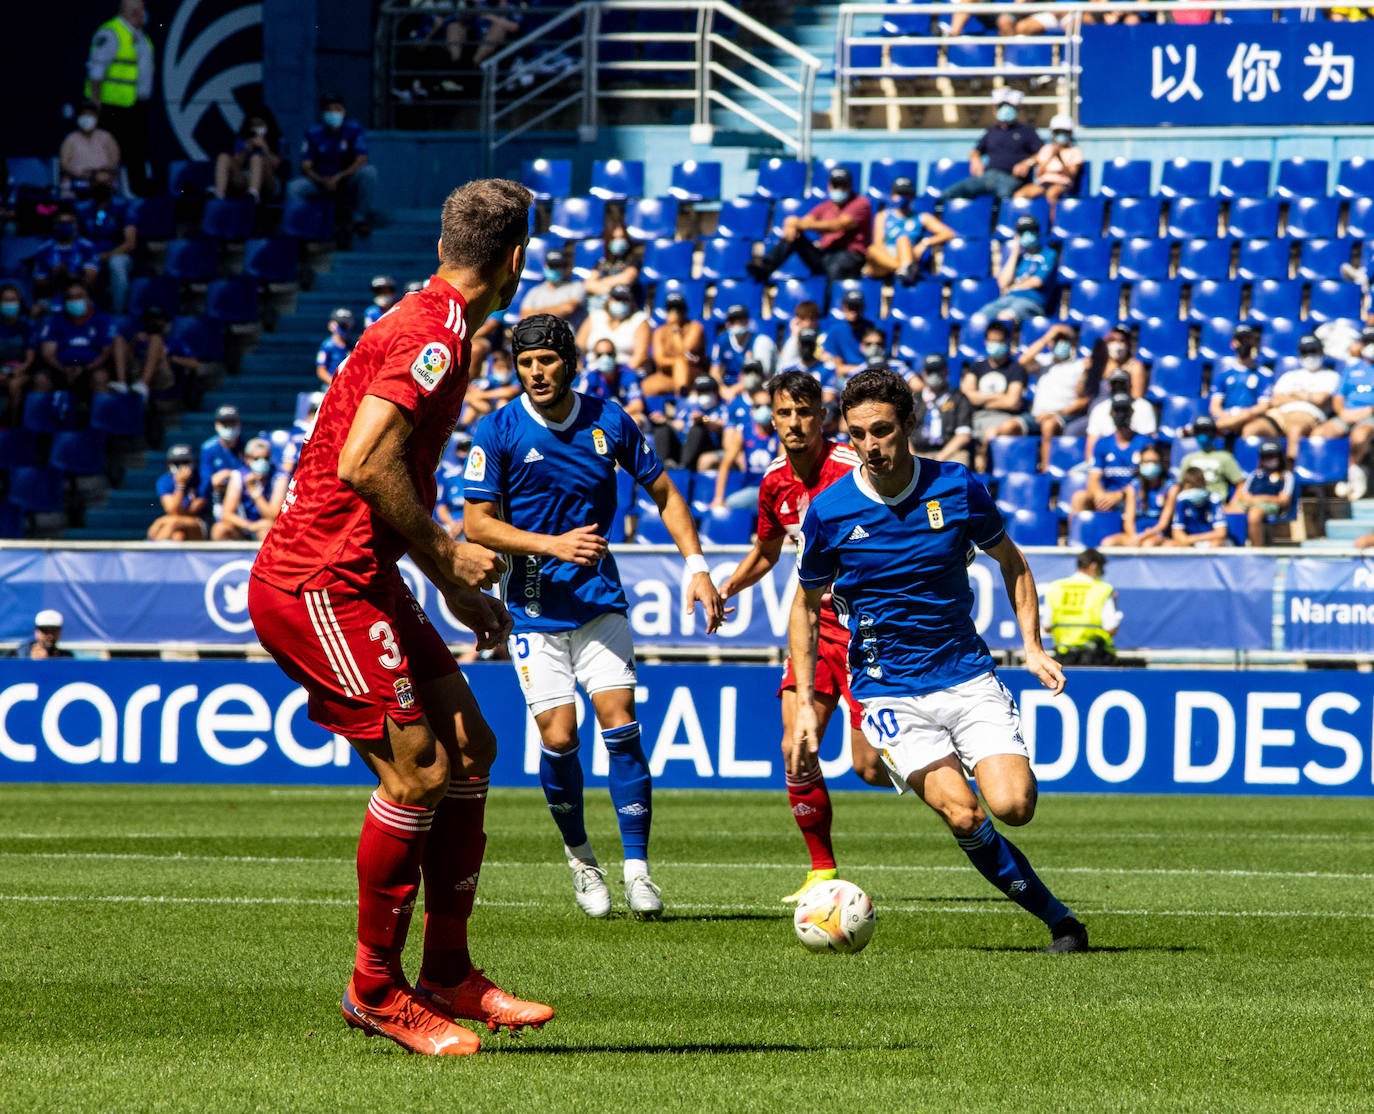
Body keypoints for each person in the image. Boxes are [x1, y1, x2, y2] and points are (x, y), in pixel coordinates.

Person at [248, 177, 553, 1055]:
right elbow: (362, 462)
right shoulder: (434, 336)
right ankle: (374, 990)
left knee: (469, 749)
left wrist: (448, 586)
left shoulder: (427, 318)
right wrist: (452, 558)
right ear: (515, 258)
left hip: (366, 573)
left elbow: (378, 467)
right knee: (416, 771)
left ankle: (448, 972)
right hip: (319, 580)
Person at [789, 367, 1086, 953]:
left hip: (966, 674)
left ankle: (982, 785)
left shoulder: (957, 487)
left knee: (1014, 805)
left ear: (908, 426)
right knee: (964, 813)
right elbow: (802, 606)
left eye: (881, 430)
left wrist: (1033, 646)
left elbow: (1014, 562)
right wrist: (804, 700)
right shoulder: (830, 510)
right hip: (888, 688)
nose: (870, 446)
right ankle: (1061, 921)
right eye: (857, 434)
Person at [463, 313, 724, 919]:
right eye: (526, 364)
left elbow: (664, 493)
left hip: (599, 602)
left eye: (546, 362)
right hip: (531, 608)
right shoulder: (497, 430)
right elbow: (476, 524)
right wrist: (552, 544)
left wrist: (697, 566)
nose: (535, 373)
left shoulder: (609, 420)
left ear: (568, 362)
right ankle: (582, 861)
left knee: (620, 721)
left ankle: (638, 869)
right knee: (559, 737)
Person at [716, 371, 887, 901]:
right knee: (796, 748)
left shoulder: (851, 471)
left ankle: (946, 769)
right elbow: (769, 551)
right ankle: (822, 869)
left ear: (823, 417)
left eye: (805, 412)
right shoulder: (773, 482)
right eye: (785, 413)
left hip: (867, 629)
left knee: (871, 765)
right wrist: (730, 586)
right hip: (814, 629)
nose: (795, 422)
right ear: (772, 418)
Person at [746, 166, 871, 283]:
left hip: (849, 256)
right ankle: (765, 268)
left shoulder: (860, 203)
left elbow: (839, 225)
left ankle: (830, 304)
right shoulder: (826, 206)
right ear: (829, 186)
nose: (839, 189)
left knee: (835, 269)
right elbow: (806, 220)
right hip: (825, 255)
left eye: (843, 185)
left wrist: (797, 223)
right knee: (795, 236)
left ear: (850, 186)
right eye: (836, 185)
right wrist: (792, 224)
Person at [85, 0, 155, 196]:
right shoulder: (111, 34)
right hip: (112, 107)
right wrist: (96, 105)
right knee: (109, 153)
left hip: (135, 105)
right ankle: (105, 193)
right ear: (131, 12)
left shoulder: (141, 37)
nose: (144, 13)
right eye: (141, 10)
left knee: (137, 152)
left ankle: (138, 191)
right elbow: (96, 73)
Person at [288, 93, 379, 238]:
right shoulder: (313, 133)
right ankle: (299, 231)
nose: (333, 113)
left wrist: (339, 177)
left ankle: (359, 219)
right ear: (323, 113)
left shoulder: (354, 129)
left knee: (369, 172)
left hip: (345, 180)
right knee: (294, 187)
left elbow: (362, 159)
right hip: (320, 182)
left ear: (344, 112)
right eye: (329, 110)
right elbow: (306, 166)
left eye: (337, 109)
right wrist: (322, 180)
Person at [1015, 323, 1092, 471]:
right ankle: (1016, 470)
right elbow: (1023, 361)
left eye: (1066, 340)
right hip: (1036, 416)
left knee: (1048, 425)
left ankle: (1045, 470)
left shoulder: (1080, 365)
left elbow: (1084, 400)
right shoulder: (1044, 362)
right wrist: (1048, 336)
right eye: (1058, 340)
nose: (1061, 344)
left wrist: (1056, 414)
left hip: (1063, 415)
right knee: (1008, 427)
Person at [942, 89, 1042, 202]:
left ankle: (1003, 217)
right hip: (987, 177)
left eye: (1009, 106)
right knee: (950, 193)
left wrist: (1028, 163)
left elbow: (1043, 153)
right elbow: (976, 151)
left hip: (1011, 179)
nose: (1005, 110)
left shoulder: (1026, 131)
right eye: (1000, 106)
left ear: (1017, 109)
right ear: (994, 110)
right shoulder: (992, 131)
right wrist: (975, 159)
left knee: (1004, 198)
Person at [1315, 326, 1374, 500]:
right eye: (1368, 342)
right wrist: (1343, 413)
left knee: (1360, 436)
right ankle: (1325, 481)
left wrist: (1368, 410)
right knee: (1320, 433)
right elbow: (1338, 397)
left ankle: (1352, 472)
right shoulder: (1351, 369)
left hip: (1369, 415)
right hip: (1348, 414)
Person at [1262, 335, 1342, 458]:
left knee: (1295, 430)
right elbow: (1275, 400)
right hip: (1280, 415)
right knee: (1252, 429)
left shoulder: (1331, 376)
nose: (1309, 355)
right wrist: (1307, 396)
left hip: (1309, 415)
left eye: (1313, 351)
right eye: (1305, 352)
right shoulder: (1289, 375)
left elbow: (1320, 400)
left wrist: (1293, 394)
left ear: (1321, 351)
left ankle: (1289, 472)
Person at [865, 176, 954, 286]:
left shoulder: (922, 217)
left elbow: (948, 233)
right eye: (899, 193)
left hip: (909, 254)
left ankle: (905, 270)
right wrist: (892, 260)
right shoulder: (883, 216)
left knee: (903, 239)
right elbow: (878, 242)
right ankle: (902, 269)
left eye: (906, 194)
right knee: (872, 250)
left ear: (912, 196)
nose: (902, 197)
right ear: (892, 195)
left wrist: (925, 242)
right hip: (885, 259)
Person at [1071, 395, 1152, 513]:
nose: (1121, 414)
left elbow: (1148, 479)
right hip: (1107, 494)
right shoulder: (1102, 443)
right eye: (1117, 410)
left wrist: (1120, 494)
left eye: (1124, 410)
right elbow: (1094, 477)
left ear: (1131, 413)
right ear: (1111, 414)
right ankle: (1077, 531)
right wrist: (1099, 495)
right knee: (1079, 498)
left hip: (1132, 495)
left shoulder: (1144, 442)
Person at [35, 282, 116, 398]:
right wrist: (63, 369)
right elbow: (47, 353)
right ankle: (38, 416)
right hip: (60, 368)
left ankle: (102, 415)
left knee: (100, 378)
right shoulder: (55, 321)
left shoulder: (101, 319)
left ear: (88, 299)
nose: (74, 301)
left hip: (91, 368)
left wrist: (86, 368)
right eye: (70, 297)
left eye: (79, 297)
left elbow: (105, 352)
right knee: (41, 379)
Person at [1042, 549, 1121, 665]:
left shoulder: (1055, 588)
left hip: (1063, 657)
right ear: (1094, 566)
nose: (1103, 573)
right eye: (1102, 569)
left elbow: (1047, 627)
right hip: (1096, 658)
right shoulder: (1103, 590)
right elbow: (1111, 628)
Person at [974, 215, 1058, 325]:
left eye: (1031, 231)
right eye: (1023, 232)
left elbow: (1037, 281)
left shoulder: (1049, 254)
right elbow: (1003, 283)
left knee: (1005, 316)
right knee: (978, 319)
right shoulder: (1018, 257)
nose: (1027, 235)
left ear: (1037, 232)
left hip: (1031, 302)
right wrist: (1014, 253)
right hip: (1008, 299)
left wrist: (1013, 287)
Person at [710, 386, 779, 510]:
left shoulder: (779, 434)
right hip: (752, 488)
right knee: (727, 506)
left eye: (768, 405)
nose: (763, 409)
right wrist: (718, 498)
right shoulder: (743, 432)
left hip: (775, 491)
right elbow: (725, 464)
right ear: (752, 411)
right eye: (758, 406)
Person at [961, 321, 1029, 450]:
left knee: (994, 433)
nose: (996, 345)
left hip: (1003, 418)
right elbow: (967, 396)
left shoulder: (1016, 369)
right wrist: (998, 396)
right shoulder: (976, 367)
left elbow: (1012, 402)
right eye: (992, 341)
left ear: (1007, 342)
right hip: (975, 417)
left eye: (1000, 341)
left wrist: (980, 400)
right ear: (986, 342)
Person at [76, 169, 136, 313]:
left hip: (117, 254)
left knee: (117, 264)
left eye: (107, 182)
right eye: (99, 183)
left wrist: (107, 255)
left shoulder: (124, 206)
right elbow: (76, 239)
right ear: (91, 185)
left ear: (113, 185)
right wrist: (92, 257)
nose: (103, 186)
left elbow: (130, 243)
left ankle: (118, 312)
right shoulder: (80, 208)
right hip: (89, 255)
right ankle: (84, 312)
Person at [1209, 323, 1278, 438]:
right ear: (1233, 343)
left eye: (1247, 339)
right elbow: (1214, 406)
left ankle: (1201, 429)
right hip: (1227, 417)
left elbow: (1264, 406)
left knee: (1249, 428)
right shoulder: (1224, 375)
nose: (1243, 343)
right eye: (1240, 339)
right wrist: (1229, 418)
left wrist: (1245, 415)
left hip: (1251, 418)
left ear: (1253, 343)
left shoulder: (1264, 374)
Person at [213, 437, 288, 541]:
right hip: (245, 525)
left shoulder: (279, 477)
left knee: (266, 530)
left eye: (266, 458)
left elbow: (273, 516)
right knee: (219, 529)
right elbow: (226, 514)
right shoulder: (239, 475)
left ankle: (264, 557)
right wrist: (250, 525)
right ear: (247, 459)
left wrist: (255, 493)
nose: (262, 462)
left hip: (268, 526)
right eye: (256, 459)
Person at [1101, 442, 1176, 547]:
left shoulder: (1170, 487)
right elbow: (1128, 520)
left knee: (1148, 544)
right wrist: (1134, 537)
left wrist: (1142, 537)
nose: (1150, 465)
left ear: (1160, 463)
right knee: (1108, 543)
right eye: (1146, 462)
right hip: (1136, 533)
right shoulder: (1133, 487)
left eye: (1154, 462)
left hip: (1156, 534)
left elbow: (1163, 523)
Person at [1227, 439, 1297, 547]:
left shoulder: (1286, 476)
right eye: (1266, 456)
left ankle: (1257, 550)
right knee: (1228, 510)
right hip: (1249, 503)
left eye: (1272, 456)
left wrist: (1260, 499)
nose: (1269, 459)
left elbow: (1283, 500)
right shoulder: (1255, 475)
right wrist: (1252, 500)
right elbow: (1244, 495)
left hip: (1270, 506)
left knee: (1255, 514)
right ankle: (1233, 546)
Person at [912, 354, 975, 467]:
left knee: (960, 464)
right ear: (923, 373)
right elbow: (903, 433)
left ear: (946, 372)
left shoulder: (959, 399)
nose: (935, 375)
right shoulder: (914, 399)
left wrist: (939, 459)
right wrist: (912, 457)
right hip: (917, 453)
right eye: (930, 371)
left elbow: (963, 435)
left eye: (938, 371)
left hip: (949, 453)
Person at [655, 374, 728, 471]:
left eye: (707, 391)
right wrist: (666, 421)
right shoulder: (688, 405)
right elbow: (679, 425)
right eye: (701, 391)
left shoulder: (723, 407)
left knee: (697, 429)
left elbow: (720, 425)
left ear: (715, 391)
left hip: (706, 447)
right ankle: (661, 466)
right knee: (662, 429)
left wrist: (704, 420)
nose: (704, 394)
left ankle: (684, 466)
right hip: (683, 445)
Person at [31, 209, 101, 306]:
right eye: (61, 223)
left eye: (70, 223)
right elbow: (39, 281)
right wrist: (54, 275)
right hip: (52, 295)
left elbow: (90, 279)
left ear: (76, 225)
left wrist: (68, 275)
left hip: (81, 296)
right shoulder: (43, 249)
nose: (65, 226)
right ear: (54, 226)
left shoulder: (87, 246)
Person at [575, 283, 650, 372]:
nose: (620, 303)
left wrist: (618, 376)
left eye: (624, 300)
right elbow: (577, 348)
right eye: (617, 299)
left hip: (625, 375)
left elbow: (641, 356)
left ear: (631, 301)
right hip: (592, 373)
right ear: (609, 300)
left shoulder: (639, 320)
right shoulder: (595, 316)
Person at [1015, 114, 1084, 211]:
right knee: (1021, 194)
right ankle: (1024, 221)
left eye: (1064, 132)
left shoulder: (1075, 151)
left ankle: (1052, 223)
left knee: (1052, 193)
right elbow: (1039, 174)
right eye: (1057, 132)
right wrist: (1051, 156)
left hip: (1062, 184)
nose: (1060, 135)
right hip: (1044, 183)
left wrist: (1059, 158)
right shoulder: (1046, 149)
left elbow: (1071, 175)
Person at [1084, 369, 1156, 458]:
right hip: (1105, 459)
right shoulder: (1099, 409)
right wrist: (1096, 466)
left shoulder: (1144, 407)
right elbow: (1091, 446)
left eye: (1122, 383)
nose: (1118, 387)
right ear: (1108, 386)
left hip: (1136, 459)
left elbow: (1148, 445)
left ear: (1130, 385)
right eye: (1115, 384)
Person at [214, 111, 284, 202]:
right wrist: (246, 150)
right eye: (254, 125)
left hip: (269, 181)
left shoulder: (278, 139)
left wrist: (264, 148)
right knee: (223, 157)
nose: (257, 128)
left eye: (260, 125)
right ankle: (219, 193)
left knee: (256, 158)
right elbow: (237, 162)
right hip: (245, 179)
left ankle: (253, 194)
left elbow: (277, 165)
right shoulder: (242, 139)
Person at [710, 303, 777, 396]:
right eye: (733, 321)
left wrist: (735, 390)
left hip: (751, 388)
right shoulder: (722, 341)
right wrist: (723, 389)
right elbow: (715, 371)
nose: (737, 324)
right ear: (727, 324)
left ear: (747, 321)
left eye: (741, 320)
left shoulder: (759, 342)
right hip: (726, 387)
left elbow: (760, 375)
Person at [148, 443, 210, 541]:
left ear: (192, 462)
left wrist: (180, 485)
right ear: (170, 464)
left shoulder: (202, 480)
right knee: (178, 535)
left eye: (185, 462)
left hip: (200, 524)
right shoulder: (164, 481)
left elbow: (190, 511)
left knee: (172, 522)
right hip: (175, 524)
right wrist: (180, 485)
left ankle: (152, 551)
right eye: (177, 463)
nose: (181, 467)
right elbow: (172, 510)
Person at [647, 290, 704, 396]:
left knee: (681, 364)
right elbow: (660, 361)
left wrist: (676, 332)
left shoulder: (695, 327)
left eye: (678, 309)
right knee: (647, 386)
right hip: (667, 375)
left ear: (684, 310)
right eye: (671, 309)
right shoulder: (659, 332)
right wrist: (678, 361)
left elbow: (685, 352)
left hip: (692, 373)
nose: (675, 313)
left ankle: (681, 397)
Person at [59, 102, 122, 196]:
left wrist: (100, 173)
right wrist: (81, 174)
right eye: (83, 114)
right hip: (78, 180)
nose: (86, 118)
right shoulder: (70, 139)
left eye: (90, 115)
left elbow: (115, 160)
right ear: (77, 118)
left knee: (104, 183)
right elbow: (64, 164)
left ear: (96, 117)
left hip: (103, 180)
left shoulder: (106, 137)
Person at [1178, 415, 1246, 499]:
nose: (1203, 435)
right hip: (1191, 501)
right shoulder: (1188, 459)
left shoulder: (1225, 457)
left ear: (1214, 433)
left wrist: (1231, 505)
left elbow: (1240, 484)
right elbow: (1179, 484)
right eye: (1199, 431)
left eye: (1207, 431)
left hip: (1215, 502)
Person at [516, 248, 586, 329]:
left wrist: (534, 314)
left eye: (557, 266)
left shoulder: (577, 287)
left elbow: (568, 308)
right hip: (539, 338)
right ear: (545, 266)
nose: (554, 269)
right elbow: (524, 317)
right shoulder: (535, 292)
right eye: (551, 266)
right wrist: (557, 310)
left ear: (565, 267)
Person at [0, 284, 36, 425]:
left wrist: (14, 372)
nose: (9, 304)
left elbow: (30, 358)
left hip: (23, 372)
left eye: (12, 300)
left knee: (15, 385)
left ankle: (14, 427)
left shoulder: (28, 325)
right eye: (5, 301)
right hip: (2, 371)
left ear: (19, 302)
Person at [1168, 466, 1230, 548]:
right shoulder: (1181, 500)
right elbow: (1177, 534)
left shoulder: (1214, 499)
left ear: (1204, 484)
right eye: (1191, 487)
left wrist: (1192, 539)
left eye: (1197, 486)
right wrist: (1188, 541)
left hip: (1210, 542)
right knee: (1169, 544)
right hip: (1190, 543)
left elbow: (1220, 533)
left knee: (1217, 544)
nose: (1194, 489)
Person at [819, 288, 876, 376]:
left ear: (862, 307)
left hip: (872, 373)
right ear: (844, 307)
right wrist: (863, 368)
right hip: (847, 377)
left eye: (856, 307)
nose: (853, 310)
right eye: (850, 306)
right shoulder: (835, 331)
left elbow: (878, 360)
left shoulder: (873, 328)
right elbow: (840, 369)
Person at [581, 221, 639, 306]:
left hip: (624, 304)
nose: (618, 242)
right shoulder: (602, 262)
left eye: (621, 238)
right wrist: (611, 290)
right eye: (615, 238)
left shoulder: (632, 260)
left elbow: (626, 279)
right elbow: (589, 284)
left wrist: (600, 282)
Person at [779, 326, 840, 402]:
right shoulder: (787, 370)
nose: (806, 349)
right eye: (804, 344)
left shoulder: (827, 369)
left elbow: (829, 399)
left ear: (815, 345)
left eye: (809, 344)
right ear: (798, 345)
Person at [316, 308, 355, 388]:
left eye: (346, 324)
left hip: (348, 387)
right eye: (341, 324)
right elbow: (321, 371)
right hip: (331, 387)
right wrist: (335, 384)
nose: (344, 327)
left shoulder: (352, 345)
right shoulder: (327, 346)